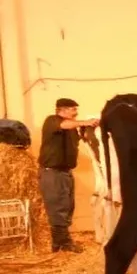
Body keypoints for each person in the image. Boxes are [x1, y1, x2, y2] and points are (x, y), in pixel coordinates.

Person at [37, 98, 97, 253]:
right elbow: (65, 124)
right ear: (61, 110)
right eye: (72, 109)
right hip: (52, 172)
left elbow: (77, 135)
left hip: (65, 172)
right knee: (58, 206)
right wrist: (85, 122)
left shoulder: (71, 129)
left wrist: (87, 130)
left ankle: (60, 242)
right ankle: (62, 243)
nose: (76, 112)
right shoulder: (52, 120)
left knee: (67, 206)